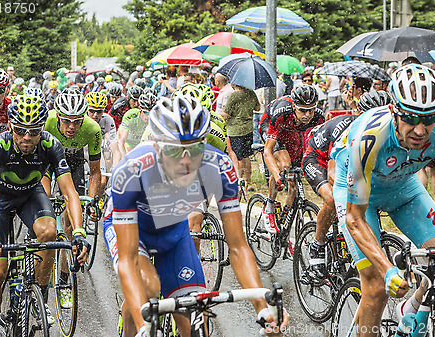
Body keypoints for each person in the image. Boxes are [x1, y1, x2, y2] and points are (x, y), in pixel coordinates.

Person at [111, 95, 289, 337]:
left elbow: (237, 246)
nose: (186, 160)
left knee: (196, 319)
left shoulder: (219, 166)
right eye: (174, 150)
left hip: (173, 234)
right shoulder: (131, 171)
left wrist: (263, 309)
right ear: (156, 144)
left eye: (195, 148)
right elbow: (127, 260)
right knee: (147, 288)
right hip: (134, 234)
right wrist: (144, 327)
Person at [331, 64, 435, 336]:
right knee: (375, 287)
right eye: (410, 117)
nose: (420, 130)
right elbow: (354, 218)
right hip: (360, 198)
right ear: (393, 110)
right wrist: (387, 271)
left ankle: (409, 313)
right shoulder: (370, 137)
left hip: (403, 188)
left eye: (430, 117)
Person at [0, 94, 89, 336]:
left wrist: (79, 231)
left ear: (42, 130)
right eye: (20, 130)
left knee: (50, 233)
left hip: (31, 194)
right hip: (0, 200)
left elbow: (70, 193)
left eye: (34, 131)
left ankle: (38, 292)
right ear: (10, 127)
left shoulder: (51, 145)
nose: (27, 137)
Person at [302, 91, 390, 276]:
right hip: (318, 157)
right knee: (333, 198)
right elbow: (334, 175)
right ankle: (317, 246)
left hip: (340, 162)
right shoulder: (350, 131)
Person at [259, 85, 324, 233]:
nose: (308, 114)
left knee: (294, 179)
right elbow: (267, 151)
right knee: (285, 164)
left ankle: (284, 222)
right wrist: (277, 175)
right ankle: (269, 206)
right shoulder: (282, 111)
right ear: (294, 106)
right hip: (271, 124)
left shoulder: (318, 117)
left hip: (293, 130)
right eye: (302, 110)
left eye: (311, 110)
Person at [42, 88, 102, 242]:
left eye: (77, 121)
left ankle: (65, 264)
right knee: (44, 197)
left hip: (74, 160)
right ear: (57, 116)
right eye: (66, 120)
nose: (71, 126)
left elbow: (95, 172)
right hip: (48, 159)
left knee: (72, 222)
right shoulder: (46, 122)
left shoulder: (93, 128)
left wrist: (92, 202)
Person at [223, 84, 259, 190]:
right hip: (248, 129)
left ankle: (238, 182)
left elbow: (226, 115)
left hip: (235, 130)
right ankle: (248, 182)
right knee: (246, 156)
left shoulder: (234, 96)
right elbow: (257, 108)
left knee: (236, 157)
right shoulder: (251, 93)